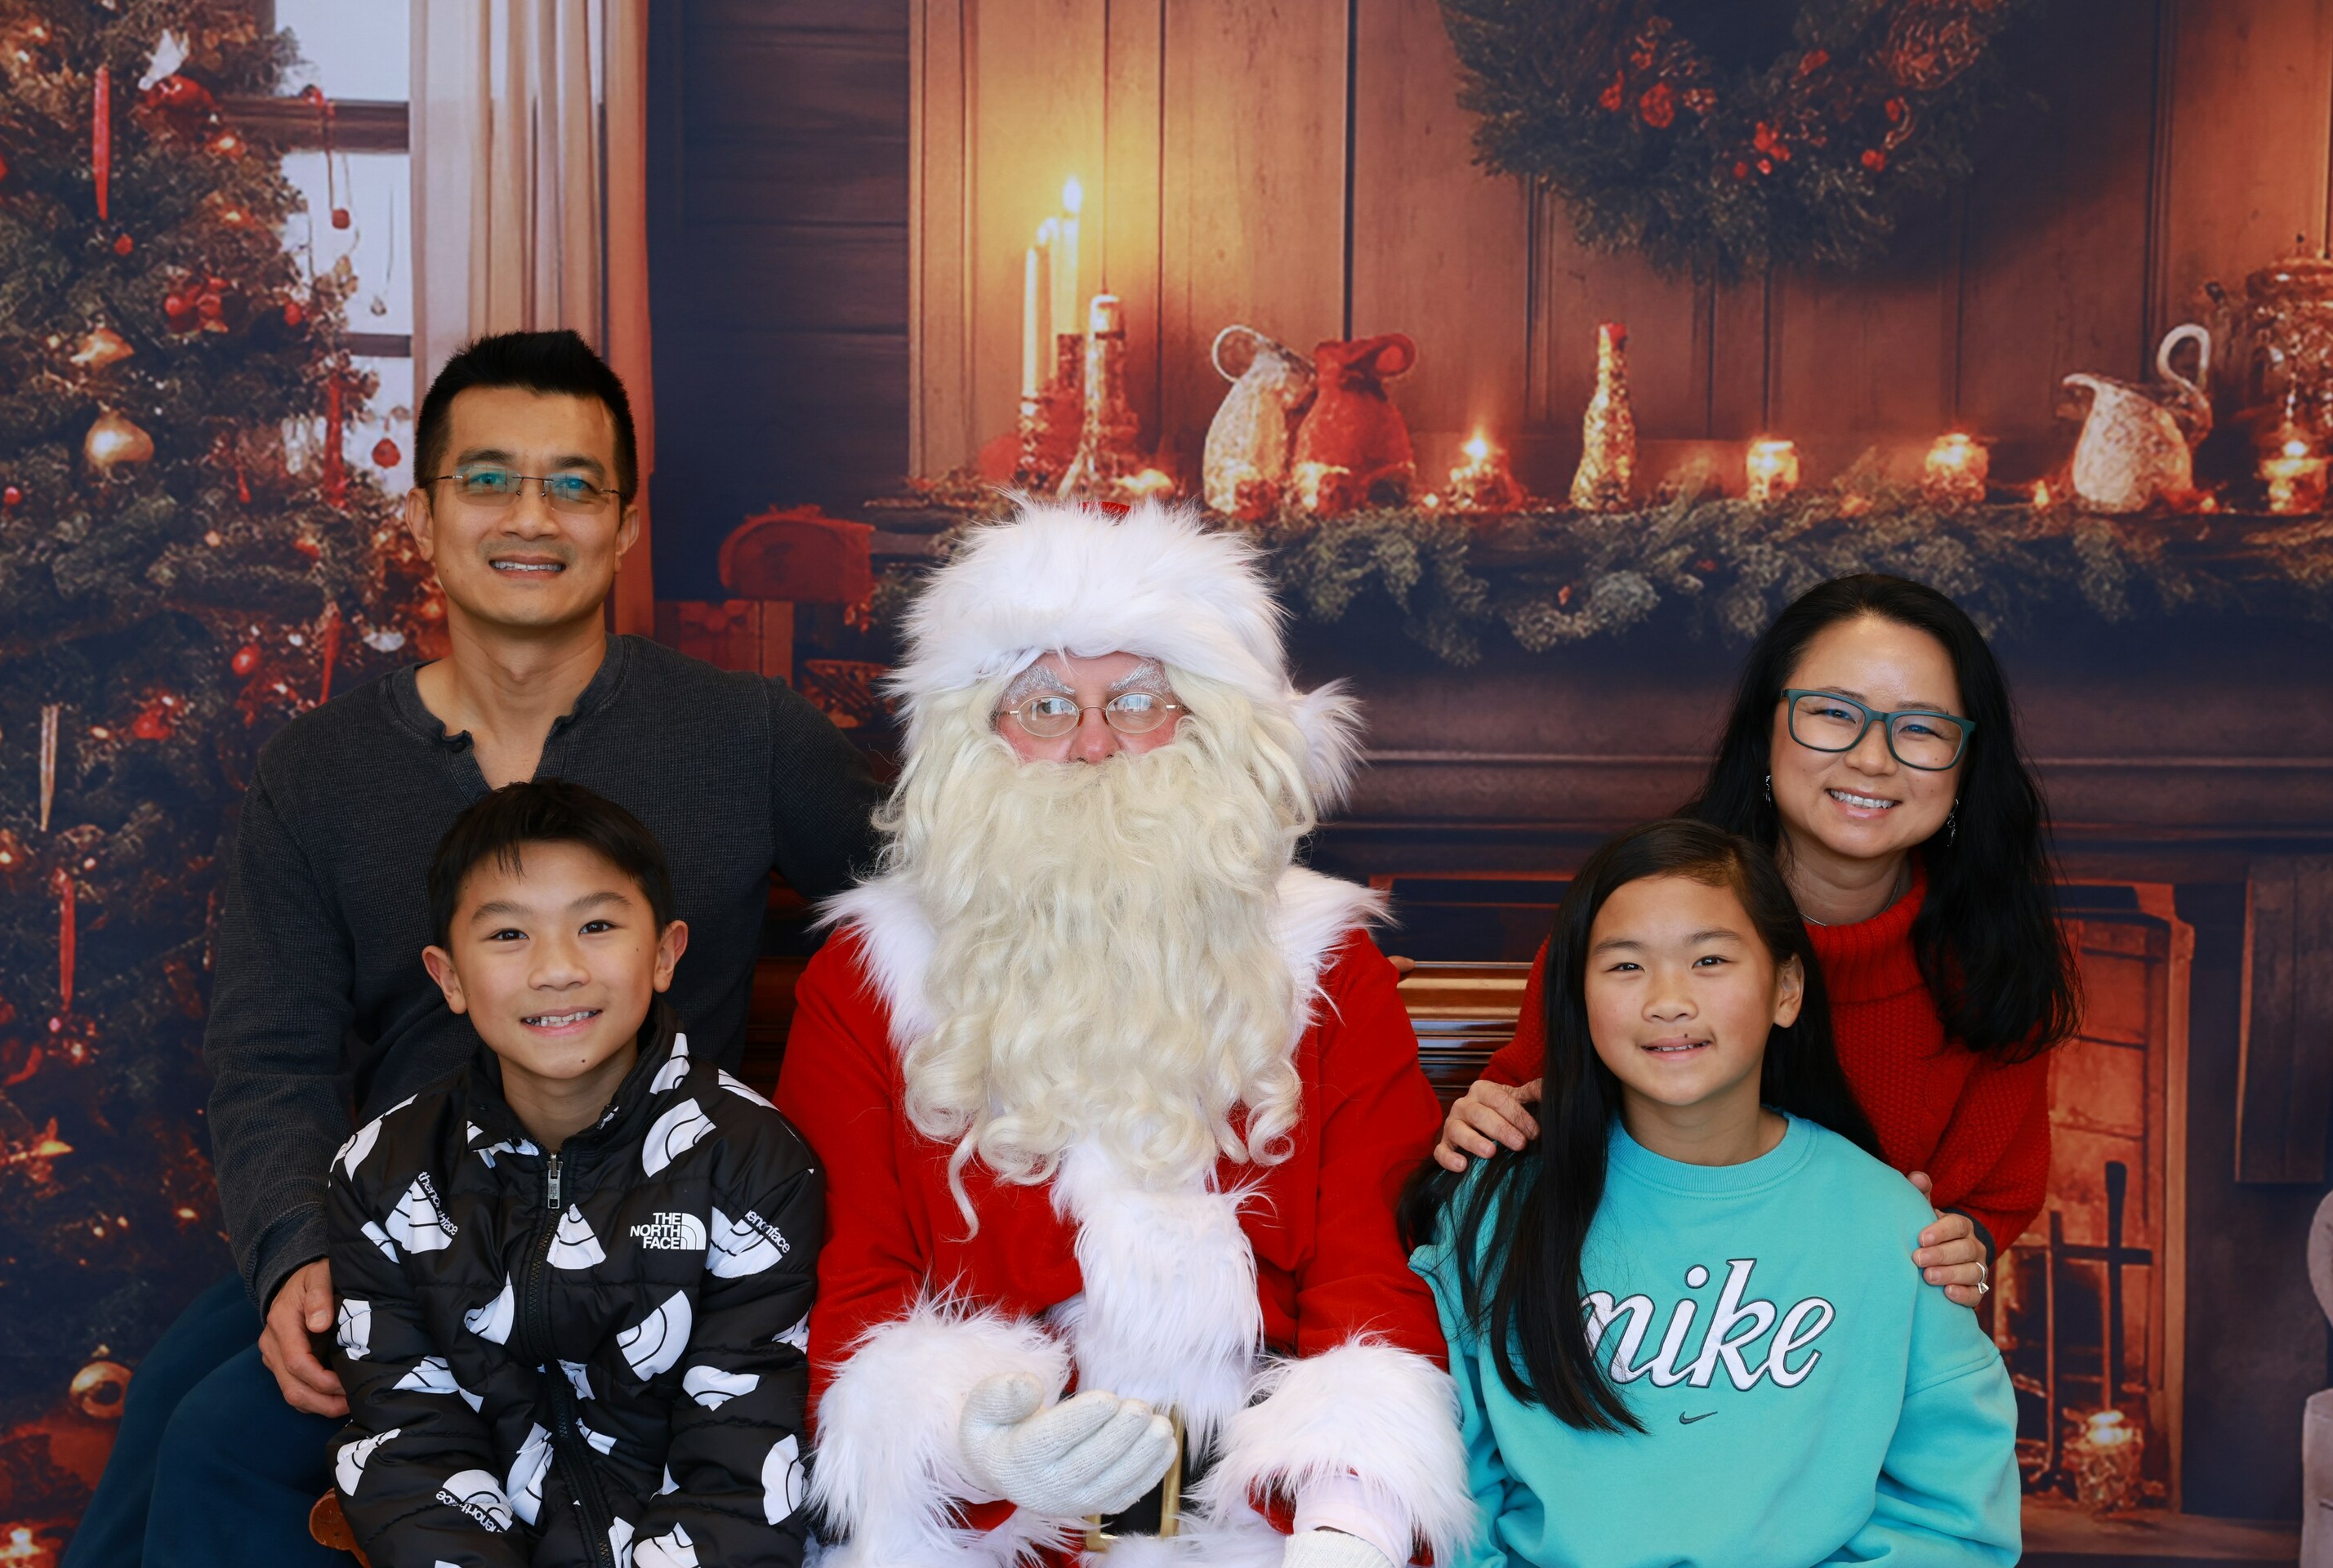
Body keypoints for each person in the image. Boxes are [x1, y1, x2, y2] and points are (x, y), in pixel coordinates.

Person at [68, 330, 878, 1568]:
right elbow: (271, 1055)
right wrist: (294, 1250)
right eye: (489, 479)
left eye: (574, 484)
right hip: (403, 1236)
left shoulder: (750, 736)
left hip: (659, 1241)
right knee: (190, 1421)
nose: (531, 517)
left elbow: (928, 929)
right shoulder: (320, 770)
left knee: (214, 1437)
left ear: (624, 524)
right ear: (425, 515)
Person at [774, 501, 1470, 1567]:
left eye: (1139, 701)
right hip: (995, 1541)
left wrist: (1349, 1520)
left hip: (1264, 1528)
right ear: (977, 736)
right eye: (1046, 705)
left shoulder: (1323, 961)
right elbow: (857, 1278)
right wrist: (974, 1451)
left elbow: (1371, 1266)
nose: (1094, 744)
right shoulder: (870, 979)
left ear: (1205, 723)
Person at [1436, 574, 2078, 1303]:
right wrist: (1483, 1120)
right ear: (1764, 728)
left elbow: (1990, 1205)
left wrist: (1967, 1248)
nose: (1874, 759)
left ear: (1967, 762)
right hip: (1626, 1321)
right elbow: (1522, 1107)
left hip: (1856, 1332)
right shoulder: (1636, 915)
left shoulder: (1997, 960)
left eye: (1923, 728)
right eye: (1834, 713)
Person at [1407, 818, 2021, 1567]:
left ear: (1786, 990)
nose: (1668, 1000)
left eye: (1709, 960)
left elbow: (1952, 1516)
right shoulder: (1502, 1206)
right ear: (1578, 996)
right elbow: (1444, 1482)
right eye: (1626, 966)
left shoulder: (1890, 1225)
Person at [326, 780, 819, 1566]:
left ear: (664, 954)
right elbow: (411, 1443)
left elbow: (742, 1451)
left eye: (596, 926)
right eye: (508, 935)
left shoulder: (754, 1159)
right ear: (449, 977)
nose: (557, 969)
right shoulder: (383, 1172)